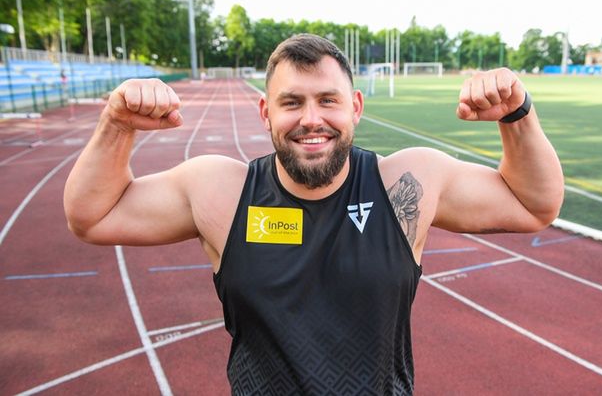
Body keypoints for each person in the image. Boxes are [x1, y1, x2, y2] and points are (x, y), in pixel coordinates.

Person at [64, 33, 564, 395]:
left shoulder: (406, 183)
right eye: (291, 103)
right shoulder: (221, 191)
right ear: (265, 113)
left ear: (356, 107)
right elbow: (93, 217)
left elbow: (533, 205)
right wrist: (117, 125)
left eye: (328, 100)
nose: (311, 119)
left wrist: (517, 115)